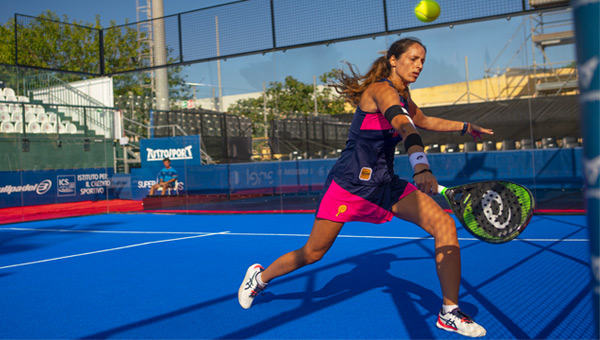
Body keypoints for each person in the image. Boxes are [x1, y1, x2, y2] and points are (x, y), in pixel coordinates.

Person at [238, 38, 493, 337]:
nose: (419, 65)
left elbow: (421, 119)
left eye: (423, 60)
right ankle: (259, 278)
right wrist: (421, 167)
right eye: (413, 59)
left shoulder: (403, 95)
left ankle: (449, 312)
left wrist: (464, 127)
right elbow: (406, 127)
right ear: (393, 60)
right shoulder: (381, 91)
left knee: (444, 225)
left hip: (385, 185)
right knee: (313, 252)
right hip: (349, 186)